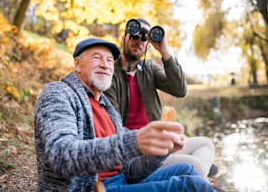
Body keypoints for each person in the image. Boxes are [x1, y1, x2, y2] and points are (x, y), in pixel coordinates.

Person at [34, 37, 214, 191]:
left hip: (121, 181)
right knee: (192, 186)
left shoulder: (107, 108)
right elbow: (61, 156)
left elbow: (128, 170)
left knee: (188, 170)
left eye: (110, 61)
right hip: (94, 188)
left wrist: (161, 152)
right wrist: (134, 141)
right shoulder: (58, 93)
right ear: (77, 64)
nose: (105, 65)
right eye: (97, 58)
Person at [104, 18, 216, 178]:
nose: (139, 41)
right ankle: (189, 173)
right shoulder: (110, 73)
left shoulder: (148, 68)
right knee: (196, 164)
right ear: (124, 39)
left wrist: (164, 50)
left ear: (149, 45)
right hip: (133, 151)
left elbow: (180, 90)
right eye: (134, 36)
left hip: (159, 144)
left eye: (144, 38)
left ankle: (180, 172)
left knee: (206, 144)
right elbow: (113, 125)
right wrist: (148, 139)